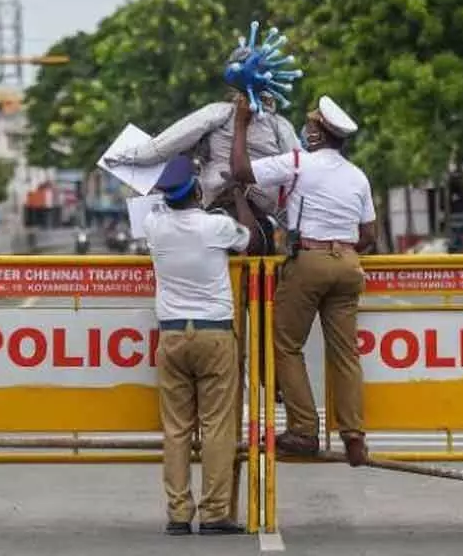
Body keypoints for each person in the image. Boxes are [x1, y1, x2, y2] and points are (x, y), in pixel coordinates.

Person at [227, 94, 377, 467]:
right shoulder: (357, 175)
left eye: (309, 126)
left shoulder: (298, 163)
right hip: (348, 262)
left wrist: (242, 124)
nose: (305, 131)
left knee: (285, 344)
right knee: (345, 353)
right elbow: (369, 233)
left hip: (309, 261)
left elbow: (241, 170)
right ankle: (354, 434)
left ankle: (304, 430)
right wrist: (338, 247)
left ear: (316, 134)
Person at [143, 153, 258, 536]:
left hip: (172, 335)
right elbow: (253, 240)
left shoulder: (154, 226)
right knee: (217, 427)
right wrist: (238, 196)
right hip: (214, 334)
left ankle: (178, 514)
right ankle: (214, 513)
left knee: (176, 430)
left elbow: (163, 206)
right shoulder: (217, 228)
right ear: (196, 189)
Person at [103, 90, 299, 255]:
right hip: (255, 220)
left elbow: (164, 145)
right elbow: (298, 168)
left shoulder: (155, 226)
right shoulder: (280, 125)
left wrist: (128, 155)